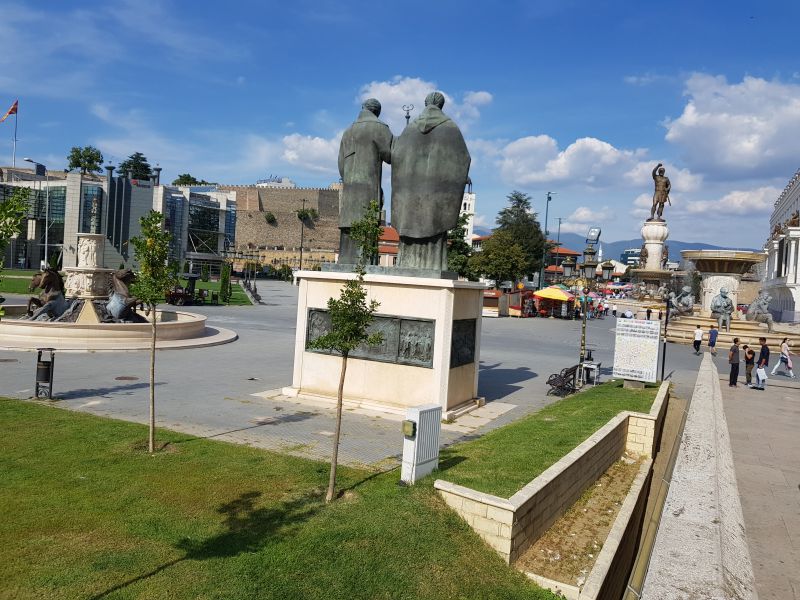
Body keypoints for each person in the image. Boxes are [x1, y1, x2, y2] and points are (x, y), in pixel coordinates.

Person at [391, 91, 471, 271]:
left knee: (410, 230)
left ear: (425, 103)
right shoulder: (450, 128)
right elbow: (462, 159)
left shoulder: (410, 129)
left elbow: (396, 158)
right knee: (435, 228)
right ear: (441, 105)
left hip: (410, 201)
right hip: (436, 202)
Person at [337, 98, 393, 264]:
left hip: (350, 191)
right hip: (368, 190)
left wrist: (349, 180)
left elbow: (341, 164)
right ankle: (365, 262)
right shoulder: (379, 128)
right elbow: (391, 155)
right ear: (377, 112)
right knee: (366, 227)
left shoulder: (348, 131)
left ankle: (346, 260)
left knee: (350, 226)